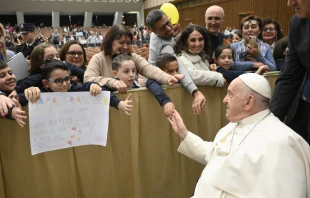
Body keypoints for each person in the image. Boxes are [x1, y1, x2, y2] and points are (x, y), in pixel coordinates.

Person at [168, 73, 310, 197]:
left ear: (248, 102)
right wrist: (184, 134)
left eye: (230, 94)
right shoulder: (230, 127)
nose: (225, 99)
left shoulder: (284, 142)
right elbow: (216, 156)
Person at [84, 24, 180, 96]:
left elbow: (150, 69)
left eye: (128, 43)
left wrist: (168, 78)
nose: (125, 47)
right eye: (121, 43)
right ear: (110, 42)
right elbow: (88, 79)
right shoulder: (98, 59)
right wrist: (112, 82)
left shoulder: (133, 57)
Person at [146, 9, 206, 115]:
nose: (169, 28)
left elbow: (167, 36)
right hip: (155, 81)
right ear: (154, 31)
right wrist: (195, 92)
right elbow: (180, 68)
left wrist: (173, 35)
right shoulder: (165, 47)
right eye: (163, 28)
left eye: (168, 22)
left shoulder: (158, 34)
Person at [21, 59, 133, 115]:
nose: (65, 84)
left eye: (67, 79)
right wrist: (29, 93)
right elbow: (18, 98)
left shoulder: (74, 90)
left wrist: (119, 103)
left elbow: (96, 89)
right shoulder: (40, 94)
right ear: (46, 83)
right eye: (58, 81)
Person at [270, 0, 310, 144]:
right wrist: (270, 122)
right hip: (302, 114)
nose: (290, 3)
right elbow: (290, 75)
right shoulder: (297, 22)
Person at [15, 43, 85, 93]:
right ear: (40, 64)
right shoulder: (36, 78)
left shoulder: (66, 65)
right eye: (50, 58)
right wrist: (30, 92)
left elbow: (86, 75)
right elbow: (15, 90)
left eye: (57, 56)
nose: (57, 60)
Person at [0, 61, 27, 127]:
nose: (9, 77)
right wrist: (13, 111)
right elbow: (4, 106)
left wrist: (33, 90)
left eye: (10, 73)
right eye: (2, 76)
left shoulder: (19, 87)